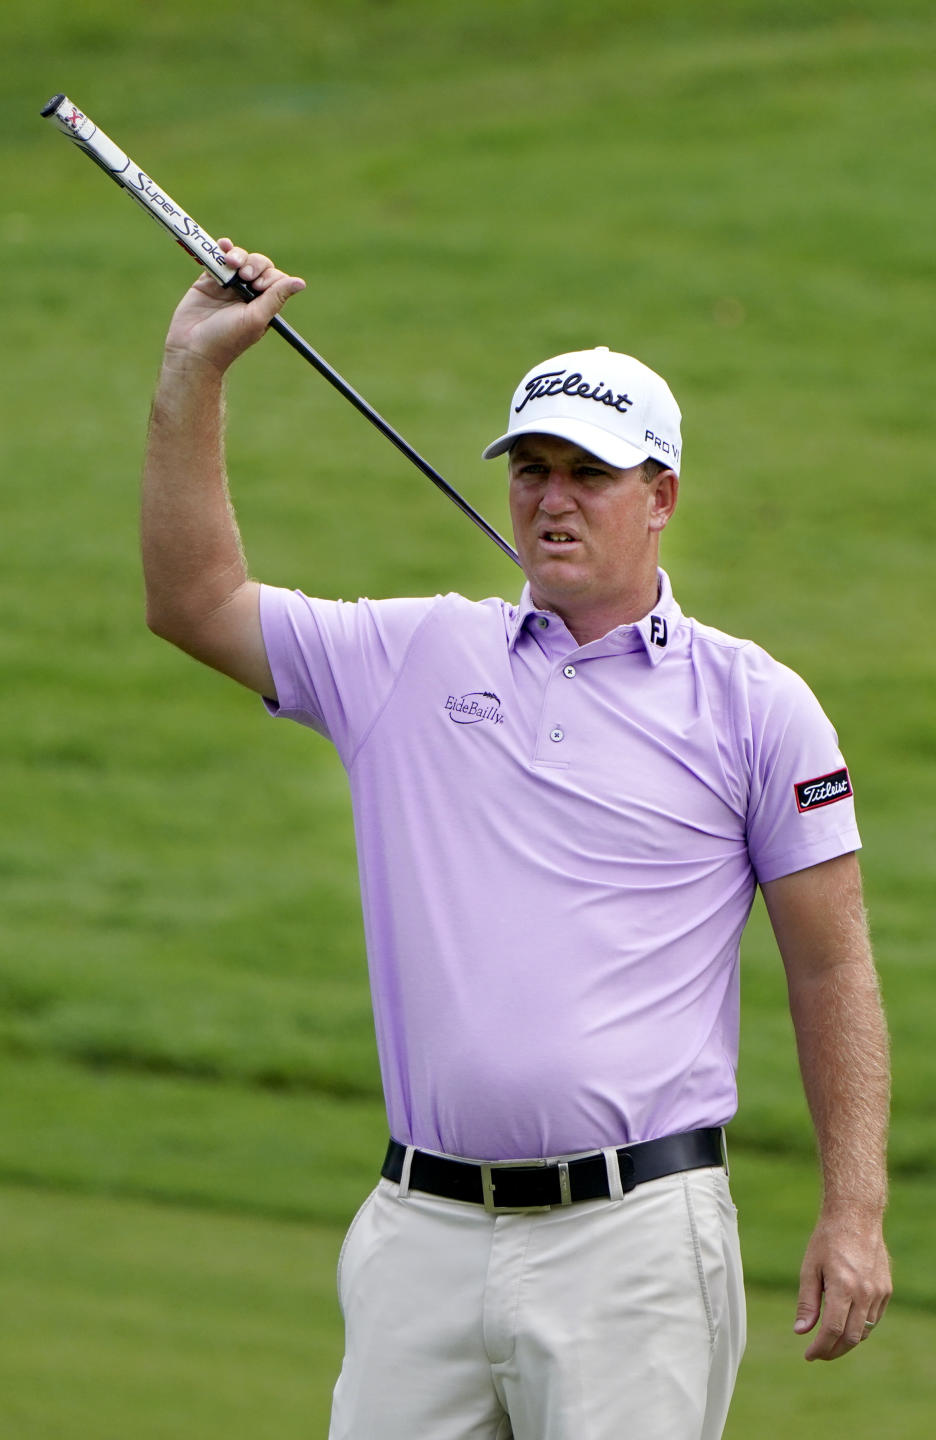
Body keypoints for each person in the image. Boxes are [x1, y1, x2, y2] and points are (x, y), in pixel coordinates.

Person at [142, 240, 892, 1440]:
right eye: (532, 469)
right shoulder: (413, 656)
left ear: (662, 497)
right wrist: (195, 374)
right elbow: (193, 603)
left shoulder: (756, 707)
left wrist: (854, 1208)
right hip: (420, 1235)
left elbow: (832, 963)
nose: (551, 497)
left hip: (635, 1245)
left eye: (589, 474)